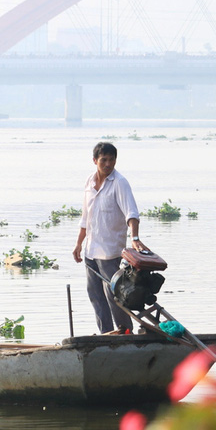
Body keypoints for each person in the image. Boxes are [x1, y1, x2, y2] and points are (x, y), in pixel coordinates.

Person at [73, 142, 148, 334]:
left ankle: (125, 332)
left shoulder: (119, 182)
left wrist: (135, 237)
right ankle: (106, 335)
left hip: (110, 252)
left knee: (115, 296)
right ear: (95, 160)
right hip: (90, 250)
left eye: (111, 160)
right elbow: (85, 218)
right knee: (95, 296)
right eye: (103, 160)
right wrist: (78, 244)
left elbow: (131, 213)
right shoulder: (89, 182)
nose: (108, 164)